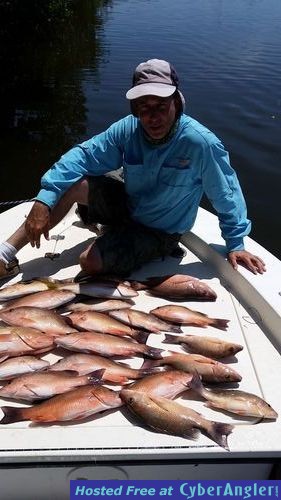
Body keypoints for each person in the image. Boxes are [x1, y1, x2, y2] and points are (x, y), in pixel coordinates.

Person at [0, 58, 266, 282]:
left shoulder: (200, 143)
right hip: (129, 206)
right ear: (135, 108)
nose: (153, 117)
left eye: (161, 106)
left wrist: (236, 243)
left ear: (176, 101)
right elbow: (82, 156)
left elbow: (226, 192)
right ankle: (5, 254)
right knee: (70, 184)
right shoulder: (128, 128)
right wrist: (44, 199)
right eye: (144, 107)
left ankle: (113, 239)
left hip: (160, 232)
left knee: (89, 261)